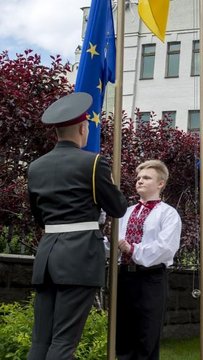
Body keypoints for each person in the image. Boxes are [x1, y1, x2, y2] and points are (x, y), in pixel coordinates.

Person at [27, 92, 128, 360]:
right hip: (79, 258)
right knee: (63, 342)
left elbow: (39, 217)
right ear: (83, 129)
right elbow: (117, 208)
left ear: (57, 132)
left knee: (40, 341)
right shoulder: (93, 162)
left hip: (47, 257)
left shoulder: (35, 167)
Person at [116, 160, 182, 359]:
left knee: (147, 334)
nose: (139, 181)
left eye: (146, 178)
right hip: (124, 276)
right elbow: (114, 242)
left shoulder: (168, 214)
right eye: (138, 178)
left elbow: (165, 248)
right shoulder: (125, 212)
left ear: (160, 183)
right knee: (123, 334)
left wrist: (131, 248)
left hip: (150, 278)